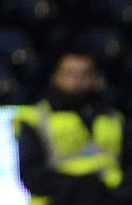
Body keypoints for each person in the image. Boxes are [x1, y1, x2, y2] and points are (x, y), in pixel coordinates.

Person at [13, 49, 132, 204]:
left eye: (85, 74)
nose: (77, 81)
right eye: (70, 73)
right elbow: (32, 176)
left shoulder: (114, 118)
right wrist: (81, 188)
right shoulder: (35, 118)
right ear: (55, 77)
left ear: (97, 78)